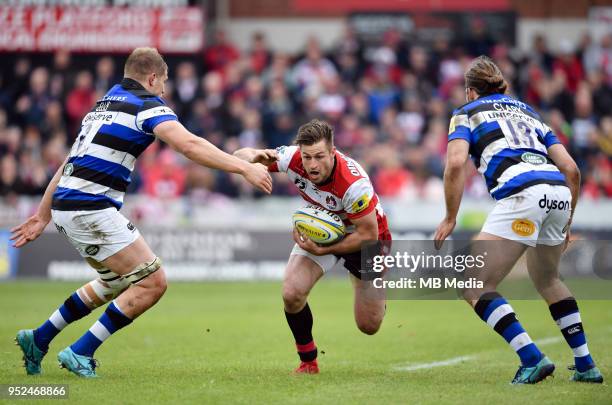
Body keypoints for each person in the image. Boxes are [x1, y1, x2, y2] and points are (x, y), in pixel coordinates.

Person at [12, 47, 272, 378]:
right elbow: (188, 145)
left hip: (69, 205)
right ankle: (81, 351)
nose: (164, 91)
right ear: (151, 78)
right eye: (162, 83)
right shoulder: (146, 105)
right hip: (90, 207)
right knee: (153, 282)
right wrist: (242, 169)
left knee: (117, 281)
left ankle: (40, 338)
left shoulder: (104, 104)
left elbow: (68, 161)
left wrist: (43, 213)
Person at [434, 55, 603, 384]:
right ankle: (586, 364)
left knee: (472, 281)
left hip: (521, 194)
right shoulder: (529, 112)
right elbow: (572, 170)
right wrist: (566, 221)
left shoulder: (465, 113)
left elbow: (455, 165)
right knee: (548, 280)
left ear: (470, 92)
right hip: (557, 193)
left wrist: (450, 217)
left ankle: (532, 357)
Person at [234, 119, 391, 374]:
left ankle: (366, 284)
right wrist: (253, 154)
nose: (312, 164)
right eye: (307, 157)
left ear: (332, 152)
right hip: (325, 230)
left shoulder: (353, 184)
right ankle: (308, 361)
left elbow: (368, 235)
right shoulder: (292, 158)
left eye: (319, 156)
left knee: (369, 325)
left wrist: (325, 250)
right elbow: (237, 159)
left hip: (366, 239)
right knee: (291, 292)